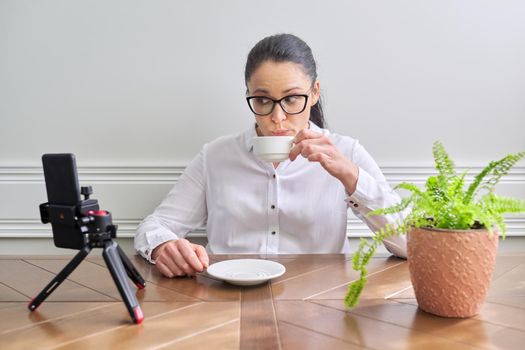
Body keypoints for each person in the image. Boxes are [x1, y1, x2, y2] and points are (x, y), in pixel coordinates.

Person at [135, 33, 407, 278]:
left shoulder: (346, 152)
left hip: (319, 308)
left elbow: (409, 243)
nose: (277, 118)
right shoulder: (216, 156)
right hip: (226, 304)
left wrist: (352, 177)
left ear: (314, 93)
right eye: (263, 100)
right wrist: (163, 247)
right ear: (249, 95)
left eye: (291, 99)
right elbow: (154, 226)